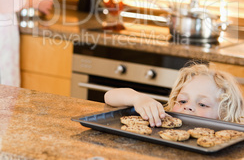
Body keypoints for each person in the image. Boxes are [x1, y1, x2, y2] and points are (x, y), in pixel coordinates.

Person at [104, 63, 244, 125]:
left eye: (202, 104)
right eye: (182, 101)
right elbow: (109, 96)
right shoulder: (160, 118)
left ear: (225, 115)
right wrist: (138, 98)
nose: (188, 107)